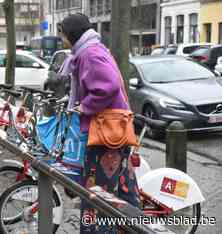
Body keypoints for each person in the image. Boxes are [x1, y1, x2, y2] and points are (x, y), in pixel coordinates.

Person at [57, 13, 140, 233]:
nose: (62, 39)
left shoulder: (89, 53)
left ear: (72, 34)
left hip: (104, 134)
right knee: (123, 188)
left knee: (97, 192)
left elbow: (108, 85)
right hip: (113, 132)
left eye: (63, 34)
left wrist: (84, 106)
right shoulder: (92, 49)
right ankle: (135, 228)